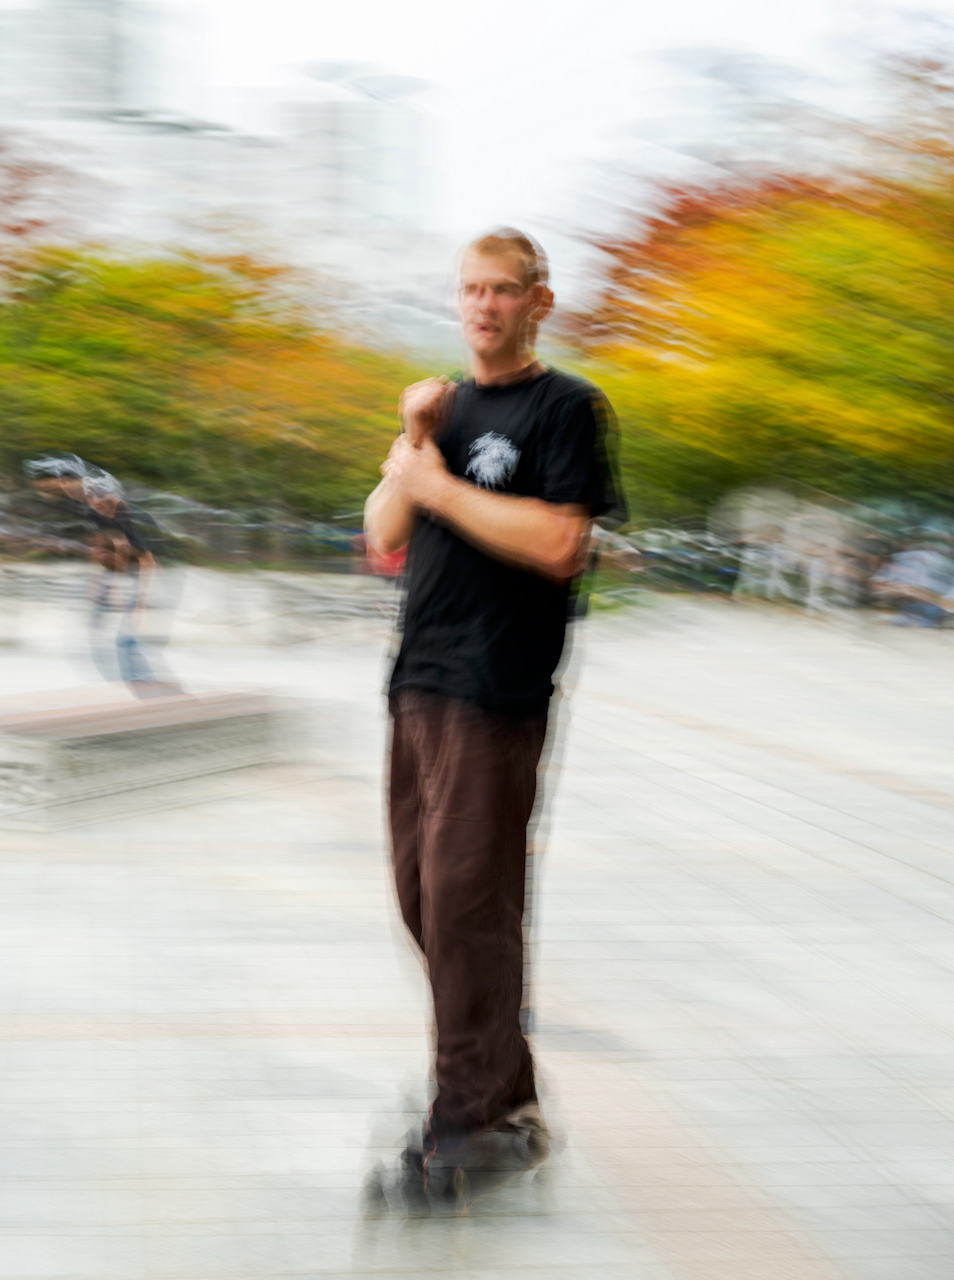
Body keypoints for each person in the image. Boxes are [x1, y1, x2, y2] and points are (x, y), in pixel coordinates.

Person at [363, 229, 623, 1206]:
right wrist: (415, 439)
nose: (483, 305)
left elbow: (559, 542)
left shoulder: (566, 407)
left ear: (539, 301)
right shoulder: (441, 411)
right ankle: (506, 1099)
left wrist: (438, 484)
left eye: (503, 290)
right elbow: (382, 531)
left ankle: (468, 1118)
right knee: (426, 899)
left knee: (468, 902)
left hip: (497, 688)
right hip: (418, 682)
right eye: (470, 289)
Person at [24, 454, 182, 697]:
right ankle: (145, 685)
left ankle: (151, 689)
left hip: (164, 575)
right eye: (93, 499)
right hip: (135, 573)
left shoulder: (131, 517)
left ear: (114, 496)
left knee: (127, 639)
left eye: (102, 499)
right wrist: (102, 586)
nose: (97, 504)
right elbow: (111, 548)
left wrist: (140, 606)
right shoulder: (99, 514)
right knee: (108, 635)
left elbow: (149, 563)